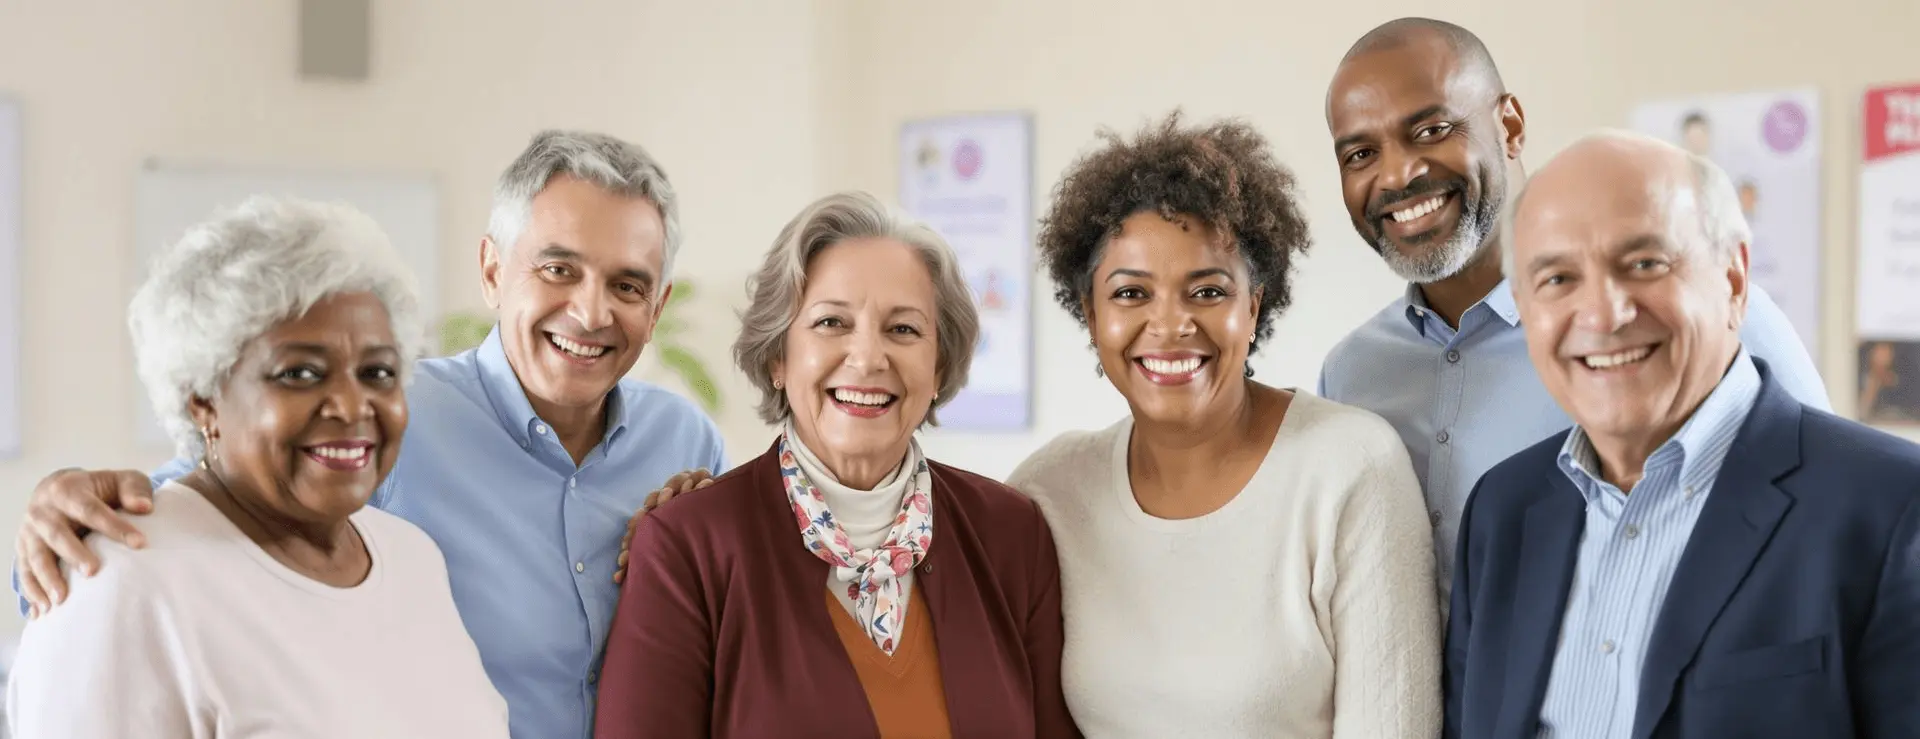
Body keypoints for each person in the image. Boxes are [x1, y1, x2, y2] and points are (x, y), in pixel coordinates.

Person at [11, 130, 726, 739]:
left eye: (627, 286)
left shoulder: (684, 441)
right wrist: (68, 508)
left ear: (657, 305)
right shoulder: (389, 417)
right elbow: (210, 502)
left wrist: (716, 531)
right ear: (491, 271)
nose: (591, 311)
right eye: (557, 268)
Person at [1318, 18, 1831, 604]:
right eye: (1360, 153)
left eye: (1432, 129)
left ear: (1508, 126)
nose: (1397, 174)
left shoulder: (1692, 319)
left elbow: (1831, 528)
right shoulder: (1352, 374)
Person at [1445, 130, 1920, 738]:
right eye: (1558, 279)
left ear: (1734, 278)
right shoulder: (1503, 509)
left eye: (1645, 264)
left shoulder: (1893, 510)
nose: (1603, 314)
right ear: (1525, 307)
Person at [5, 196, 509, 737]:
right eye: (300, 373)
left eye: (377, 372)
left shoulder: (411, 557)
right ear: (202, 398)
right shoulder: (122, 582)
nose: (351, 405)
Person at [1005, 113, 1438, 737]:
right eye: (1130, 294)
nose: (1172, 324)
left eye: (1207, 291)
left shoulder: (1350, 466)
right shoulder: (1049, 490)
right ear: (1090, 314)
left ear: (1253, 304)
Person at [593, 192, 1077, 738]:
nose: (868, 358)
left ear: (939, 366)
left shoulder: (1012, 533)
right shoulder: (688, 548)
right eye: (831, 323)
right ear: (778, 355)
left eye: (903, 329)